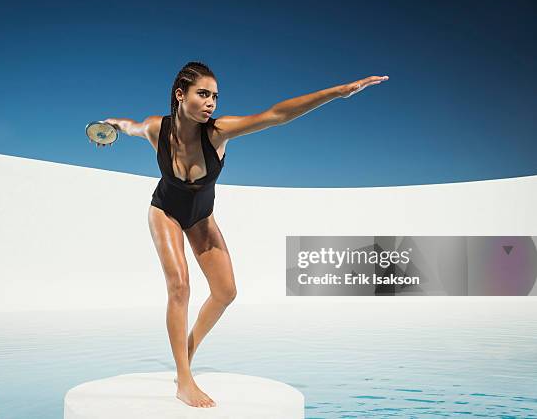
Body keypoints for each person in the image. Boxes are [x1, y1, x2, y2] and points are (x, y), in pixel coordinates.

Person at [92, 61, 388, 408]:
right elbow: (130, 126)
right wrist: (111, 126)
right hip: (166, 211)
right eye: (203, 94)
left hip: (201, 217)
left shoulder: (218, 132)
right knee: (180, 286)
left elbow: (276, 115)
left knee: (226, 292)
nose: (211, 103)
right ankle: (184, 380)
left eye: (215, 97)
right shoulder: (157, 129)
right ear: (180, 94)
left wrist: (338, 92)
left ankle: (186, 350)